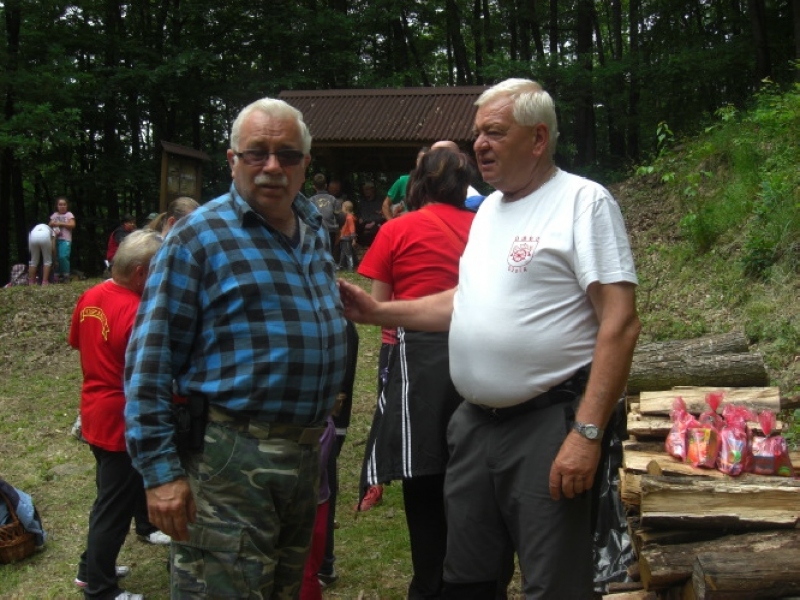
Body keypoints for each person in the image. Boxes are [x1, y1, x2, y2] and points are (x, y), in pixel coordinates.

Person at [338, 78, 641, 599]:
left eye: (495, 132)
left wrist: (586, 435)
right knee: (466, 580)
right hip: (474, 426)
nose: (478, 144)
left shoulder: (582, 202)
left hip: (549, 424)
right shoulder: (490, 212)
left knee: (554, 584)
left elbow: (620, 321)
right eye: (477, 133)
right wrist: (377, 310)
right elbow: (464, 303)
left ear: (538, 138)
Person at [124, 97, 348, 598]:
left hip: (303, 454)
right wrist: (160, 474)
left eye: (288, 154)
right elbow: (149, 361)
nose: (273, 166)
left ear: (305, 164)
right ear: (232, 161)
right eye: (257, 153)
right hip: (230, 458)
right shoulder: (199, 238)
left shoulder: (312, 230)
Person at [357, 148, 478, 599]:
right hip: (479, 356)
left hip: (416, 360)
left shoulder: (396, 229)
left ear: (417, 184)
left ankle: (429, 583)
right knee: (472, 475)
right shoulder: (486, 227)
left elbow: (381, 306)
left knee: (423, 474)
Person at [70, 230, 164, 600]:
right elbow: (149, 370)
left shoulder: (91, 295)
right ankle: (100, 589)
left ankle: (91, 568)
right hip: (120, 419)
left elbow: (78, 340)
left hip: (95, 409)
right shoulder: (137, 311)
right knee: (113, 507)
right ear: (141, 273)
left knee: (109, 498)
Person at [381, 147, 428, 221]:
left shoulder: (436, 183)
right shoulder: (403, 181)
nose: (423, 164)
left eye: (427, 161)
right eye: (421, 160)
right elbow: (385, 205)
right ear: (417, 161)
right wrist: (392, 224)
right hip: (407, 226)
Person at [49, 196, 76, 283]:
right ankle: (56, 275)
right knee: (55, 257)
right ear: (57, 206)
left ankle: (66, 275)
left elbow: (72, 225)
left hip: (65, 239)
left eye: (64, 204)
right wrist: (52, 224)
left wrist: (61, 223)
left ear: (67, 206)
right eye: (60, 205)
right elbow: (49, 224)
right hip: (55, 239)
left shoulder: (69, 215)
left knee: (63, 256)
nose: (62, 206)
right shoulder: (54, 215)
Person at [356, 181, 383, 246]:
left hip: (376, 225)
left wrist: (373, 222)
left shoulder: (380, 201)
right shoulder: (362, 202)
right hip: (363, 225)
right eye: (364, 190)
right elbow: (358, 213)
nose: (366, 191)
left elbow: (383, 215)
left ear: (372, 189)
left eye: (367, 189)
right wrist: (359, 218)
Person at [337, 200, 357, 271]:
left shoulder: (349, 218)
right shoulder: (347, 217)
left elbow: (352, 228)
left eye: (342, 207)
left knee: (348, 253)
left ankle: (350, 267)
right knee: (343, 252)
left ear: (345, 208)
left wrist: (353, 239)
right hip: (344, 237)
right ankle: (341, 265)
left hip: (347, 237)